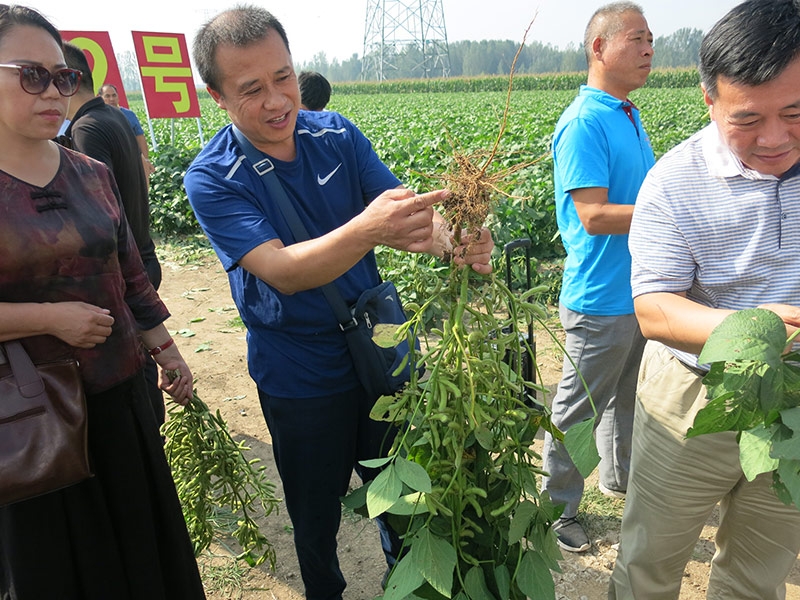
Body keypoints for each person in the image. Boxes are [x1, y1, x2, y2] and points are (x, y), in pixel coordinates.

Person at [184, 6, 494, 599]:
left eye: (284, 77)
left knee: (404, 498)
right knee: (315, 510)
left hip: (382, 351)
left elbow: (408, 223)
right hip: (298, 373)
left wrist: (461, 245)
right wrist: (368, 229)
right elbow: (282, 271)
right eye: (252, 89)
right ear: (217, 96)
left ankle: (408, 586)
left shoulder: (338, 135)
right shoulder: (214, 177)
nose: (278, 100)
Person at [0, 5, 205, 599]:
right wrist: (49, 320)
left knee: (140, 553)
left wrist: (166, 351)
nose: (54, 91)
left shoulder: (89, 171)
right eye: (30, 74)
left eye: (62, 76)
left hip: (117, 395)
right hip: (27, 417)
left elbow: (129, 274)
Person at [608, 0, 800, 597]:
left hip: (794, 398)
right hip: (694, 391)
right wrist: (751, 327)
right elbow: (655, 309)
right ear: (709, 101)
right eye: (747, 120)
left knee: (757, 573)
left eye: (795, 113)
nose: (774, 139)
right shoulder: (674, 181)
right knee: (649, 564)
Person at [543, 0, 654, 553]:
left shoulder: (626, 113)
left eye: (650, 39)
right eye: (635, 38)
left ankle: (619, 480)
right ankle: (556, 510)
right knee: (576, 408)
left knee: (627, 397)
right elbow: (593, 215)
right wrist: (666, 211)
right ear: (599, 48)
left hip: (636, 291)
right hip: (599, 296)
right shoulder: (585, 120)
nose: (649, 49)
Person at [61, 42, 166, 425]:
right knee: (142, 357)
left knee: (133, 364)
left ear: (69, 80)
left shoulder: (86, 129)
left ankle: (148, 432)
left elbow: (97, 211)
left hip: (125, 269)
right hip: (144, 255)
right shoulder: (115, 117)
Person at [99, 82, 155, 184]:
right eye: (107, 96)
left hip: (132, 162)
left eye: (114, 95)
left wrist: (146, 160)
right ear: (100, 98)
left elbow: (140, 138)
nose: (111, 99)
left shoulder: (129, 115)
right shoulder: (97, 117)